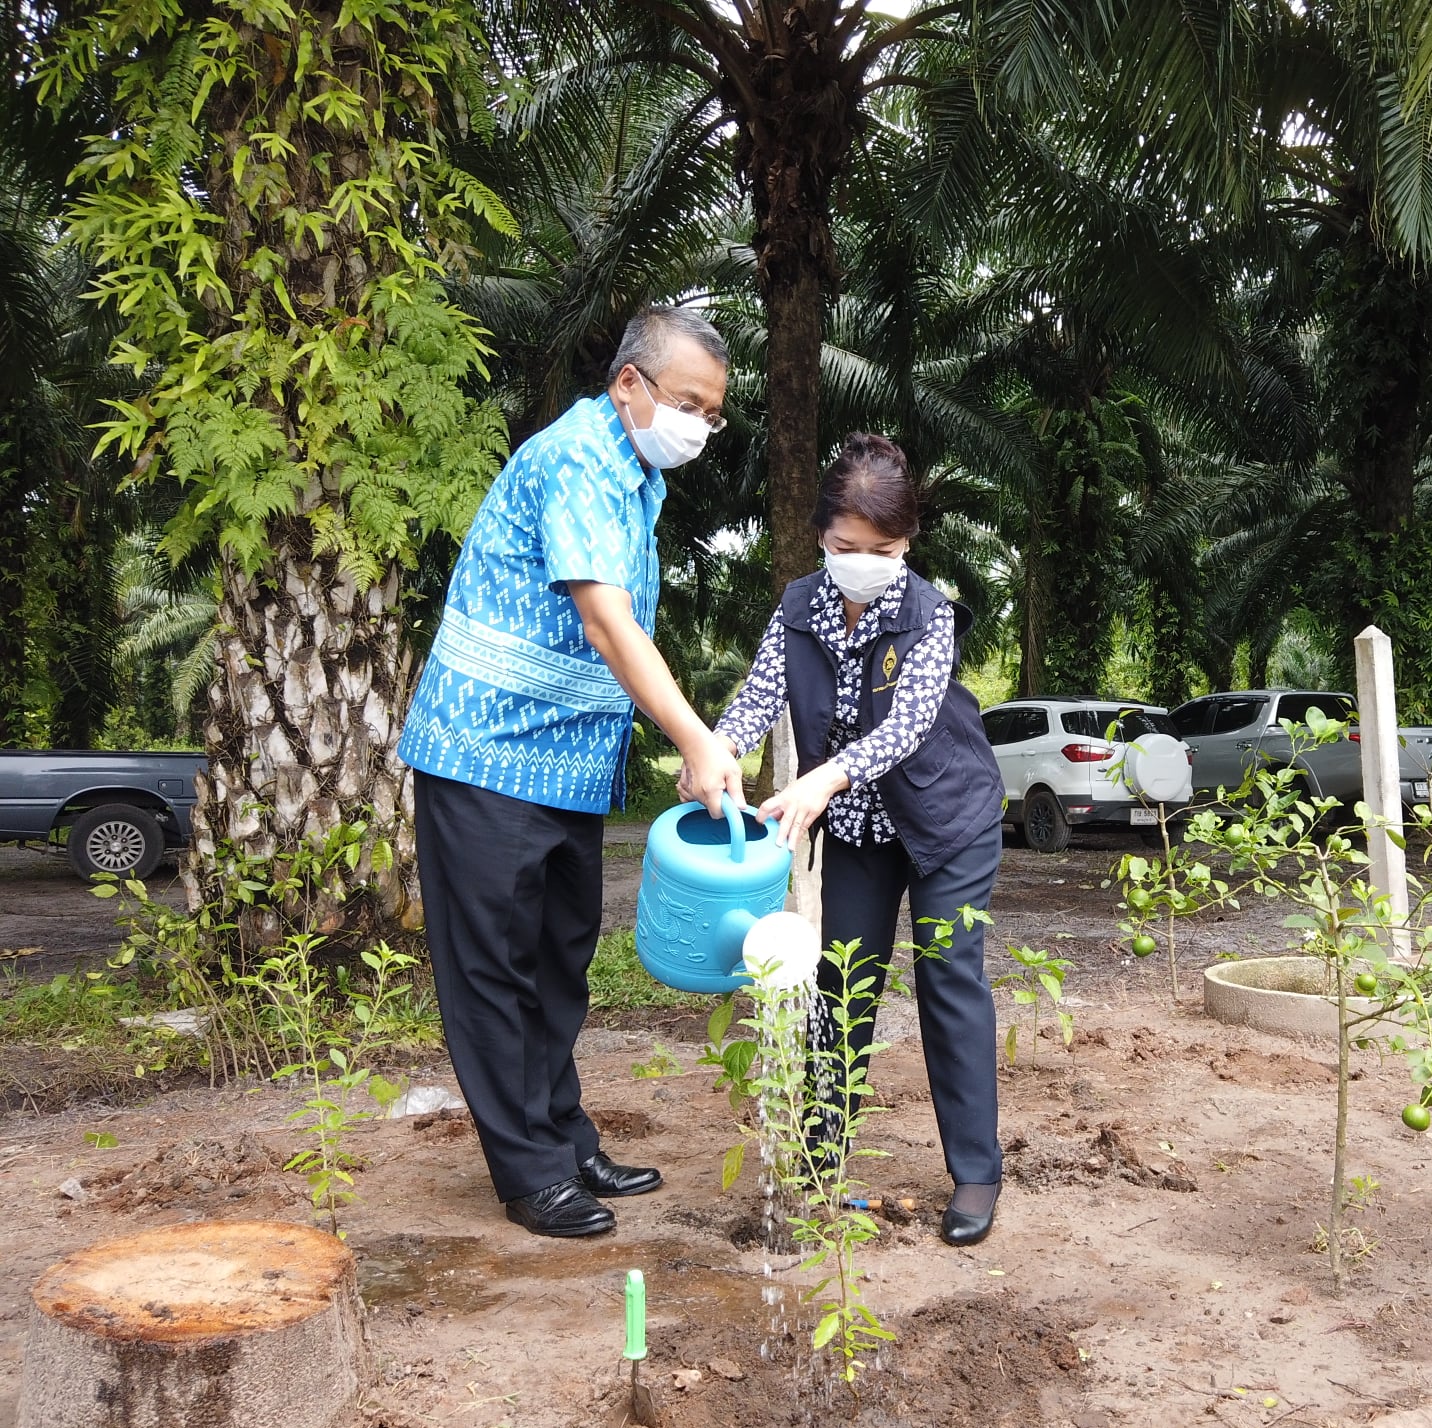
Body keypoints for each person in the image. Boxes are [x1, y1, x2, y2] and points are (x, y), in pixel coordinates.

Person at [397, 305, 744, 1239]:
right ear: (628, 382)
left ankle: (564, 1136)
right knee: (495, 969)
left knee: (559, 961)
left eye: (712, 415)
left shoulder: (636, 479)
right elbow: (605, 621)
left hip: (567, 764)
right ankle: (530, 1172)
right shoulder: (580, 457)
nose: (699, 427)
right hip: (489, 753)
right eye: (687, 404)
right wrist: (696, 738)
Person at [703, 434, 1009, 1246]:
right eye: (847, 547)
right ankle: (820, 1161)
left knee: (948, 977)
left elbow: (907, 727)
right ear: (820, 536)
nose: (865, 564)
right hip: (859, 830)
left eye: (884, 550)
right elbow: (759, 696)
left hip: (948, 822)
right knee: (840, 984)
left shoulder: (929, 614)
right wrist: (717, 747)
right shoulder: (797, 607)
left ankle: (977, 1173)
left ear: (907, 544)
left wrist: (822, 779)